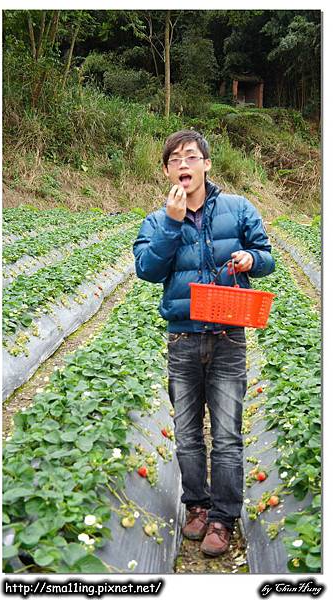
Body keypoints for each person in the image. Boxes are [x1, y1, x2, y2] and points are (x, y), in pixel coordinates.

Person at [133, 130, 275, 557]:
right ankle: (195, 506)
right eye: (174, 159)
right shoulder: (158, 221)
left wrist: (251, 259)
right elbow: (147, 270)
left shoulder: (238, 208)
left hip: (230, 336)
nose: (183, 164)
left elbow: (266, 256)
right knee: (188, 432)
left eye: (191, 157)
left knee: (228, 434)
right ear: (166, 170)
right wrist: (172, 225)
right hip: (183, 338)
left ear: (206, 164)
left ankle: (223, 518)